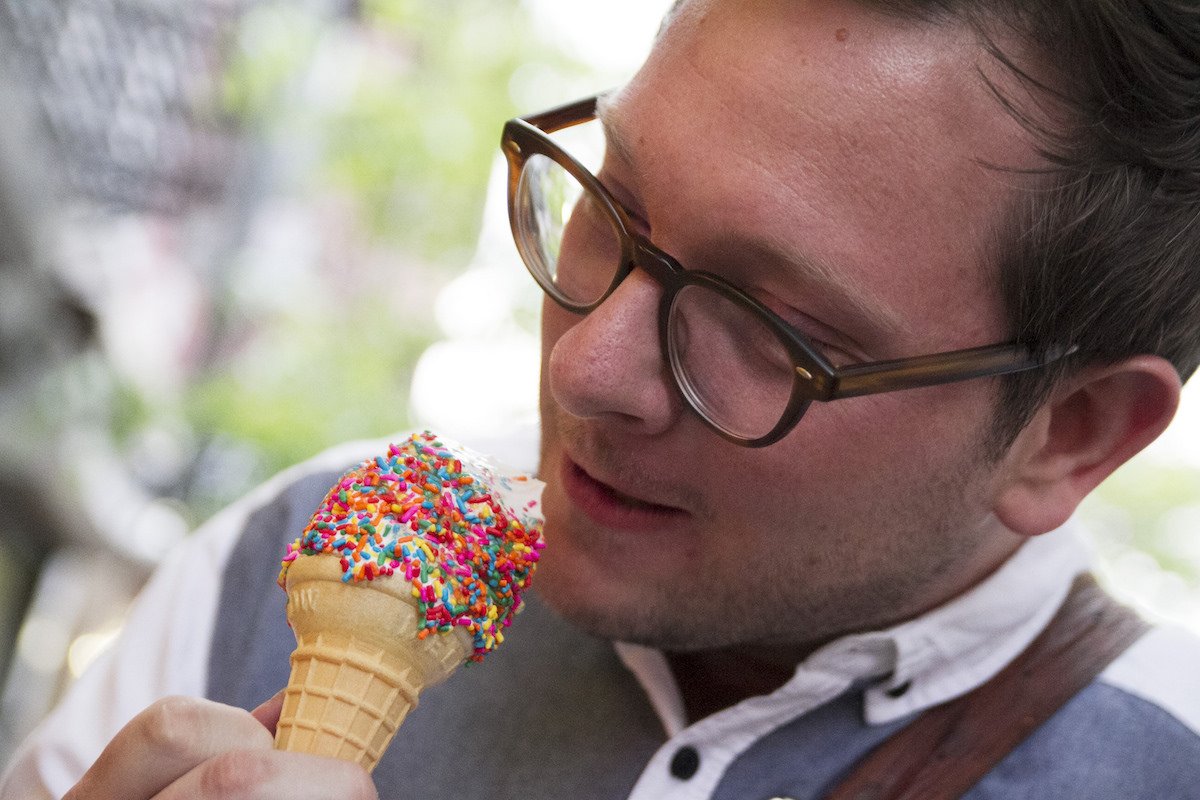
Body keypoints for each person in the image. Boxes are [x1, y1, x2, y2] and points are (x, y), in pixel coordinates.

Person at [5, 0, 1200, 797]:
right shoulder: (282, 561)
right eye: (608, 206)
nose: (586, 369)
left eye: (769, 325)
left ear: (1071, 432)